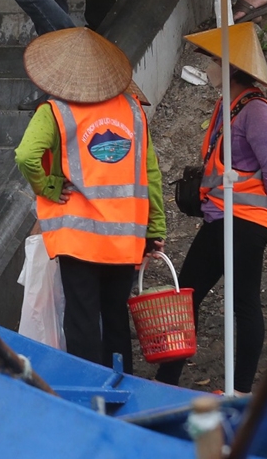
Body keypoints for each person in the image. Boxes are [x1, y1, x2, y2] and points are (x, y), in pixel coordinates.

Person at [13, 28, 164, 369]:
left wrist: (50, 187)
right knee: (115, 320)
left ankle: (89, 393)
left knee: (81, 318)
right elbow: (150, 174)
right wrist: (154, 229)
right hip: (126, 237)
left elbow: (25, 156)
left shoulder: (55, 111)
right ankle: (121, 389)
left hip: (78, 238)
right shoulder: (134, 111)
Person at [156, 23, 267, 394]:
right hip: (221, 219)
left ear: (230, 67)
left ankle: (240, 391)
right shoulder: (227, 107)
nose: (208, 68)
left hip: (245, 221)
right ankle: (167, 383)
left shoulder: (256, 111)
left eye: (214, 60)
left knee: (244, 303)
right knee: (188, 295)